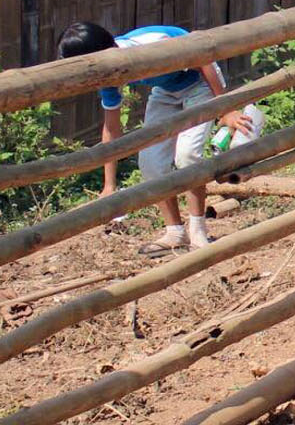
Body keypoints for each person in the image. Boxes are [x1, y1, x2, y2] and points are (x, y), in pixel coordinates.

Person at [57, 22, 258, 254]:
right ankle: (175, 231)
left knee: (187, 155)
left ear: (99, 55)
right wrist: (109, 185)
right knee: (151, 163)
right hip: (165, 92)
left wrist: (225, 108)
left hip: (199, 82)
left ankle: (198, 231)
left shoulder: (148, 49)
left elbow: (202, 56)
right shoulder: (108, 75)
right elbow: (111, 129)